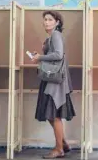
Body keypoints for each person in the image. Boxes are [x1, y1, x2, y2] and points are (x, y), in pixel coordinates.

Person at [31, 10, 76, 159]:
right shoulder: (51, 37)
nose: (46, 22)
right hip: (52, 80)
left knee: (54, 115)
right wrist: (41, 55)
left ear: (57, 22)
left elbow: (58, 54)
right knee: (51, 115)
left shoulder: (56, 35)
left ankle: (59, 149)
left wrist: (40, 57)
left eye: (50, 19)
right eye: (45, 19)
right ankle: (63, 143)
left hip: (55, 82)